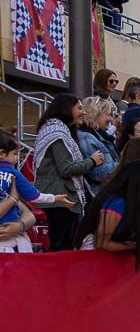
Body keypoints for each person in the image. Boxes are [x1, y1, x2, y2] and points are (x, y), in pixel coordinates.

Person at [34, 94, 104, 250]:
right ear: (66, 109)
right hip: (60, 200)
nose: (83, 112)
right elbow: (66, 169)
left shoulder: (55, 130)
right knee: (62, 246)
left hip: (60, 197)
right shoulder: (57, 134)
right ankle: (59, 274)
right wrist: (92, 161)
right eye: (79, 108)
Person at [74, 160, 140, 270]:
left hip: (106, 259)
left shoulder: (131, 204)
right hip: (92, 258)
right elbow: (102, 243)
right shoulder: (117, 203)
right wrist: (135, 246)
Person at [0, 130, 70, 253]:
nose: (17, 158)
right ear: (2, 154)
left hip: (12, 240)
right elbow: (34, 195)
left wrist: (19, 226)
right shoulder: (13, 173)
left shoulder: (13, 175)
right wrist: (54, 198)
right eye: (15, 154)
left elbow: (29, 215)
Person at [77, 96, 120, 194]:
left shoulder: (99, 136)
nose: (111, 119)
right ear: (95, 114)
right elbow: (96, 174)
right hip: (98, 196)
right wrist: (123, 163)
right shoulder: (87, 137)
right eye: (108, 115)